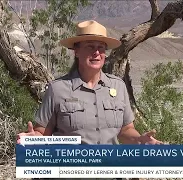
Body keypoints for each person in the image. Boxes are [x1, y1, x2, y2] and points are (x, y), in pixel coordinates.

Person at [16, 20, 163, 145]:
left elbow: (125, 130)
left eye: (101, 48)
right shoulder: (57, 89)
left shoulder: (118, 86)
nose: (96, 53)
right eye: (90, 47)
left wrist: (140, 139)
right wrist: (33, 138)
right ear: (77, 52)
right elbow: (43, 132)